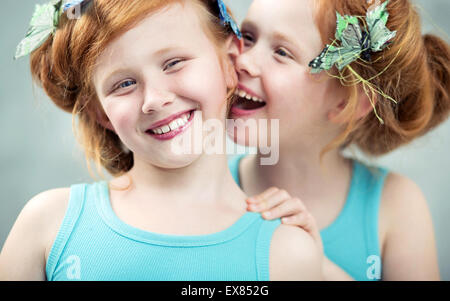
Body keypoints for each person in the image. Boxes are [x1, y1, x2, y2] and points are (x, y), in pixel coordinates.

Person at [0, 0, 322, 281]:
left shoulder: (286, 253)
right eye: (124, 83)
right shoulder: (47, 228)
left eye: (173, 63)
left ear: (229, 63)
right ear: (101, 113)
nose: (154, 99)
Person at [228, 0, 449, 280]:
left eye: (282, 52)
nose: (243, 61)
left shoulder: (397, 207)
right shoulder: (208, 193)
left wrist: (316, 266)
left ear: (347, 103)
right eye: (248, 37)